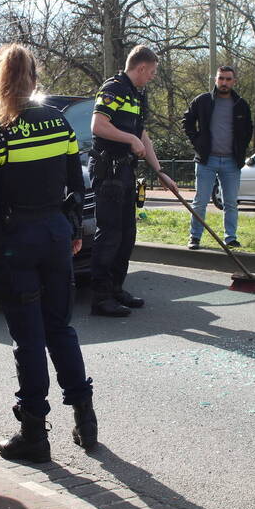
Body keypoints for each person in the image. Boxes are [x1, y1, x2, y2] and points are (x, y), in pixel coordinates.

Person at [0, 43, 96, 463]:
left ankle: (34, 435)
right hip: (56, 234)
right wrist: (73, 228)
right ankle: (85, 417)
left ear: (0, 81)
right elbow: (77, 181)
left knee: (29, 340)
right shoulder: (59, 123)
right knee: (60, 328)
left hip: (15, 239)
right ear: (35, 78)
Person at [89, 45, 177, 317]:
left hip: (127, 172)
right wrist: (130, 139)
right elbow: (98, 125)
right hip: (109, 173)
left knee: (127, 234)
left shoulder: (137, 94)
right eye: (151, 72)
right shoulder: (113, 88)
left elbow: (143, 136)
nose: (152, 76)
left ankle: (116, 289)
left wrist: (160, 171)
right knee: (110, 235)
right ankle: (101, 298)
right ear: (140, 68)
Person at [181, 65, 253, 249]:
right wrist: (197, 142)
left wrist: (240, 149)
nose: (224, 82)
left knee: (230, 203)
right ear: (215, 80)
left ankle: (230, 238)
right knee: (200, 201)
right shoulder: (203, 101)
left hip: (231, 162)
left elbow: (248, 130)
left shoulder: (241, 104)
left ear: (234, 81)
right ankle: (195, 237)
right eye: (221, 78)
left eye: (228, 79)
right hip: (207, 160)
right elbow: (187, 121)